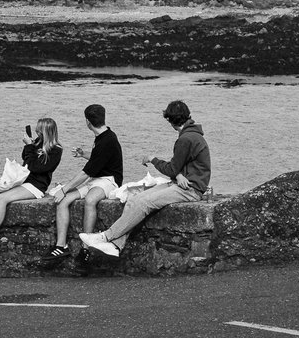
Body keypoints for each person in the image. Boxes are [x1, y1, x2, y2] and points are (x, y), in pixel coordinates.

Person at [80, 100, 211, 257]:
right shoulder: (192, 135)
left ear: (170, 120)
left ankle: (105, 237)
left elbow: (171, 168)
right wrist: (179, 173)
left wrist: (152, 158)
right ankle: (115, 246)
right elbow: (183, 165)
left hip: (190, 190)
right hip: (182, 183)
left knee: (144, 203)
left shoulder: (186, 139)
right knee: (135, 199)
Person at [41, 104, 123, 267]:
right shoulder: (102, 137)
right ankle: (60, 246)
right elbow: (98, 159)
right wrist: (84, 154)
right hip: (97, 179)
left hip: (109, 180)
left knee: (90, 200)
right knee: (63, 201)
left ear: (87, 122)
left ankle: (86, 248)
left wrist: (64, 188)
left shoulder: (108, 139)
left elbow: (87, 173)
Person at [0, 117, 62, 255]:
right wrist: (29, 146)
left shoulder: (56, 150)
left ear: (47, 131)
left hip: (36, 186)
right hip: (23, 181)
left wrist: (30, 146)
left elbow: (36, 167)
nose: (37, 133)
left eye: (40, 131)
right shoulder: (37, 142)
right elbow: (26, 161)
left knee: (2, 198)